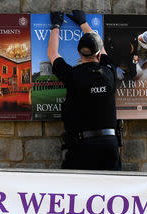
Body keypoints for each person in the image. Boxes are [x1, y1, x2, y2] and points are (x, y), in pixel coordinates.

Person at [47, 10, 121, 171]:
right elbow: (102, 49)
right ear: (99, 57)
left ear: (79, 54)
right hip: (110, 144)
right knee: (112, 191)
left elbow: (53, 54)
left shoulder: (73, 75)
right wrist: (83, 23)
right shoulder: (109, 72)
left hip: (83, 147)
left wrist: (55, 26)